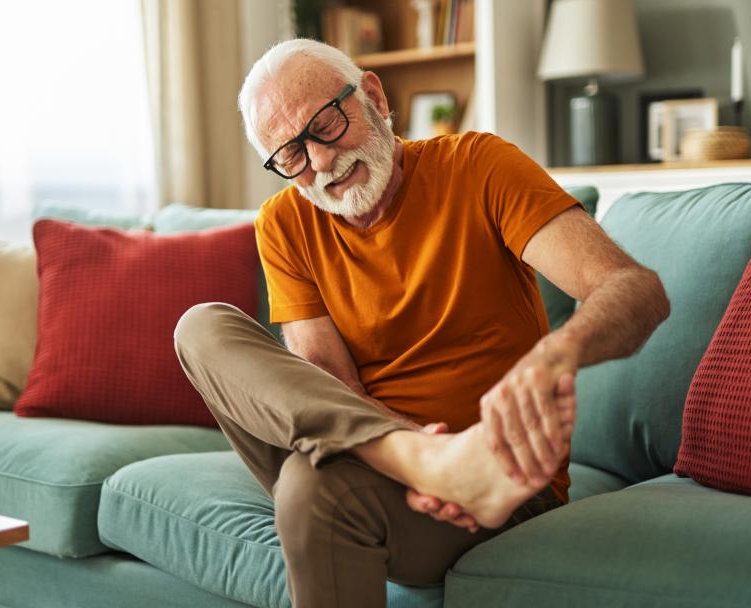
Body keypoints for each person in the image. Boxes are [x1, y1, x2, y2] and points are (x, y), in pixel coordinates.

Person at [174, 39, 669, 608]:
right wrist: (418, 453)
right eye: (291, 155)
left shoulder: (477, 165)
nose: (321, 163)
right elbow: (333, 390)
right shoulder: (284, 223)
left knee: (310, 488)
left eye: (327, 126)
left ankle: (443, 464)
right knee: (200, 327)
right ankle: (428, 459)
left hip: (496, 482)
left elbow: (635, 289)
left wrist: (553, 357)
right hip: (384, 464)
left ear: (374, 97)